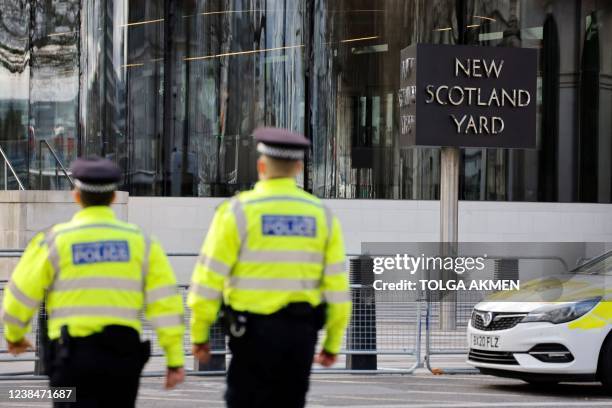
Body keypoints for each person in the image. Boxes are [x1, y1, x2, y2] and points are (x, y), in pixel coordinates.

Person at [0, 157, 185, 407]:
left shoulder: (53, 240)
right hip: (123, 358)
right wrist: (174, 358)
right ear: (112, 198)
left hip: (71, 359)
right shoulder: (141, 242)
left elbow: (20, 293)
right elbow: (165, 303)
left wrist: (14, 336)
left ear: (76, 196)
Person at [188, 127, 351, 408]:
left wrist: (200, 335)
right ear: (298, 167)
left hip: (250, 335)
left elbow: (208, 279)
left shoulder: (237, 211)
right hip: (300, 335)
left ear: (261, 165)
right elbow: (337, 287)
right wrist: (333, 342)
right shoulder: (321, 215)